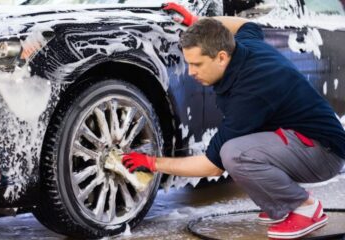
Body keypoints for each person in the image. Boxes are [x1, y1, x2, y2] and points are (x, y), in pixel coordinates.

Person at [122, 2, 345, 239]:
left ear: (221, 57)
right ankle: (280, 206)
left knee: (233, 154)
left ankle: (306, 208)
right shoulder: (242, 45)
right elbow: (248, 24)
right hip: (301, 140)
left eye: (197, 64)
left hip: (325, 154)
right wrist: (199, 23)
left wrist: (152, 162)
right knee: (237, 149)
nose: (191, 72)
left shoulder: (250, 93)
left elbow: (212, 165)